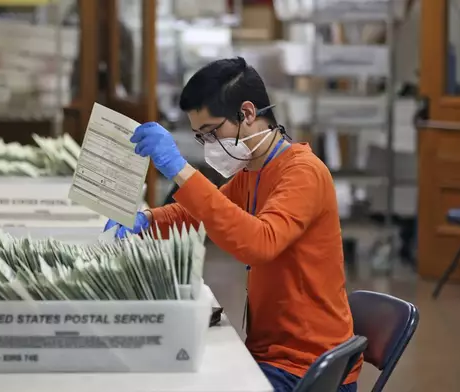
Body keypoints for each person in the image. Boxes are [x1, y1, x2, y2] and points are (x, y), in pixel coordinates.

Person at [104, 57, 361, 392]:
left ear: (248, 113)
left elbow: (260, 242)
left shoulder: (303, 173)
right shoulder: (253, 172)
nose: (210, 145)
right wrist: (146, 220)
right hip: (270, 353)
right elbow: (201, 211)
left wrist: (180, 171)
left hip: (308, 366)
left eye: (212, 132)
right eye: (200, 137)